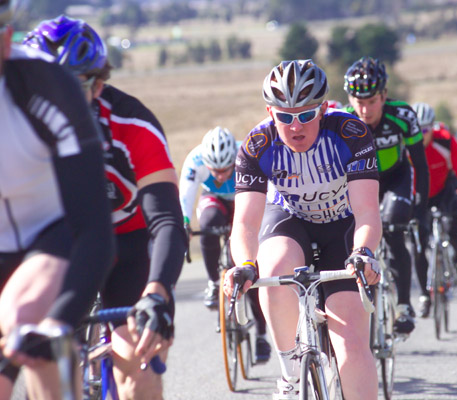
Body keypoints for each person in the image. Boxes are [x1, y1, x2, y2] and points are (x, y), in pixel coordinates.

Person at [23, 15, 187, 399]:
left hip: (130, 242)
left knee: (138, 366)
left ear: (97, 85)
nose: (55, 100)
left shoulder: (133, 126)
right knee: (47, 366)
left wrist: (157, 294)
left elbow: (166, 220)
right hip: (61, 244)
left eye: (71, 85)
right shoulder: (14, 125)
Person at [223, 59, 381, 400]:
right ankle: (290, 374)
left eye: (307, 114)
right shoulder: (257, 145)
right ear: (270, 113)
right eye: (285, 117)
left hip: (341, 225)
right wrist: (244, 264)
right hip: (288, 219)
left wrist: (363, 252)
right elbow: (245, 222)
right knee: (274, 269)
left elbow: (367, 211)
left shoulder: (350, 134)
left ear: (323, 109)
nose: (296, 126)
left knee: (351, 343)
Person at [0, 2, 115, 399]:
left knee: (25, 321)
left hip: (48, 235)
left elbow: (95, 230)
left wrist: (60, 322)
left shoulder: (45, 84)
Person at [343, 56, 430, 336]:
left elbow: (420, 165)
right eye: (358, 102)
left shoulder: (402, 115)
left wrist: (421, 209)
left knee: (393, 228)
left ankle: (403, 306)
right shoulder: (342, 121)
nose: (365, 110)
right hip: (359, 183)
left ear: (384, 95)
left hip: (395, 178)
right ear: (349, 99)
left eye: (371, 101)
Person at [179, 126, 271, 363]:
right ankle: (213, 282)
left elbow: (267, 190)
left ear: (233, 161)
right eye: (214, 171)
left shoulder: (246, 153)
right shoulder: (195, 160)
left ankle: (262, 335)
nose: (220, 176)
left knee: (249, 269)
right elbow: (186, 193)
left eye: (225, 170)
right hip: (215, 201)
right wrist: (185, 222)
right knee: (208, 223)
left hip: (243, 199)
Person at [412, 102, 457, 318]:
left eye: (425, 131)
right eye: (416, 131)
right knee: (418, 244)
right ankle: (424, 296)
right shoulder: (405, 145)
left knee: (454, 225)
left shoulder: (445, 141)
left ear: (433, 128)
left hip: (443, 191)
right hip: (418, 195)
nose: (420, 136)